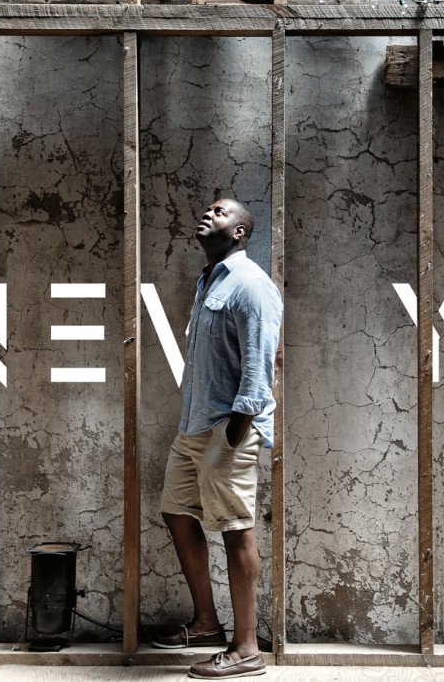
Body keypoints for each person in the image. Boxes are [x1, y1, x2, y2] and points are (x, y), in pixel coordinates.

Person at [154, 198, 282, 680]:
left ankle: (246, 648)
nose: (208, 213)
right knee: (177, 512)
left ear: (242, 232)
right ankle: (207, 623)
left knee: (234, 527)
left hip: (227, 429)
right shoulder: (210, 280)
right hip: (195, 425)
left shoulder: (251, 285)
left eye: (221, 212)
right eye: (207, 208)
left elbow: (258, 366)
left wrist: (234, 431)